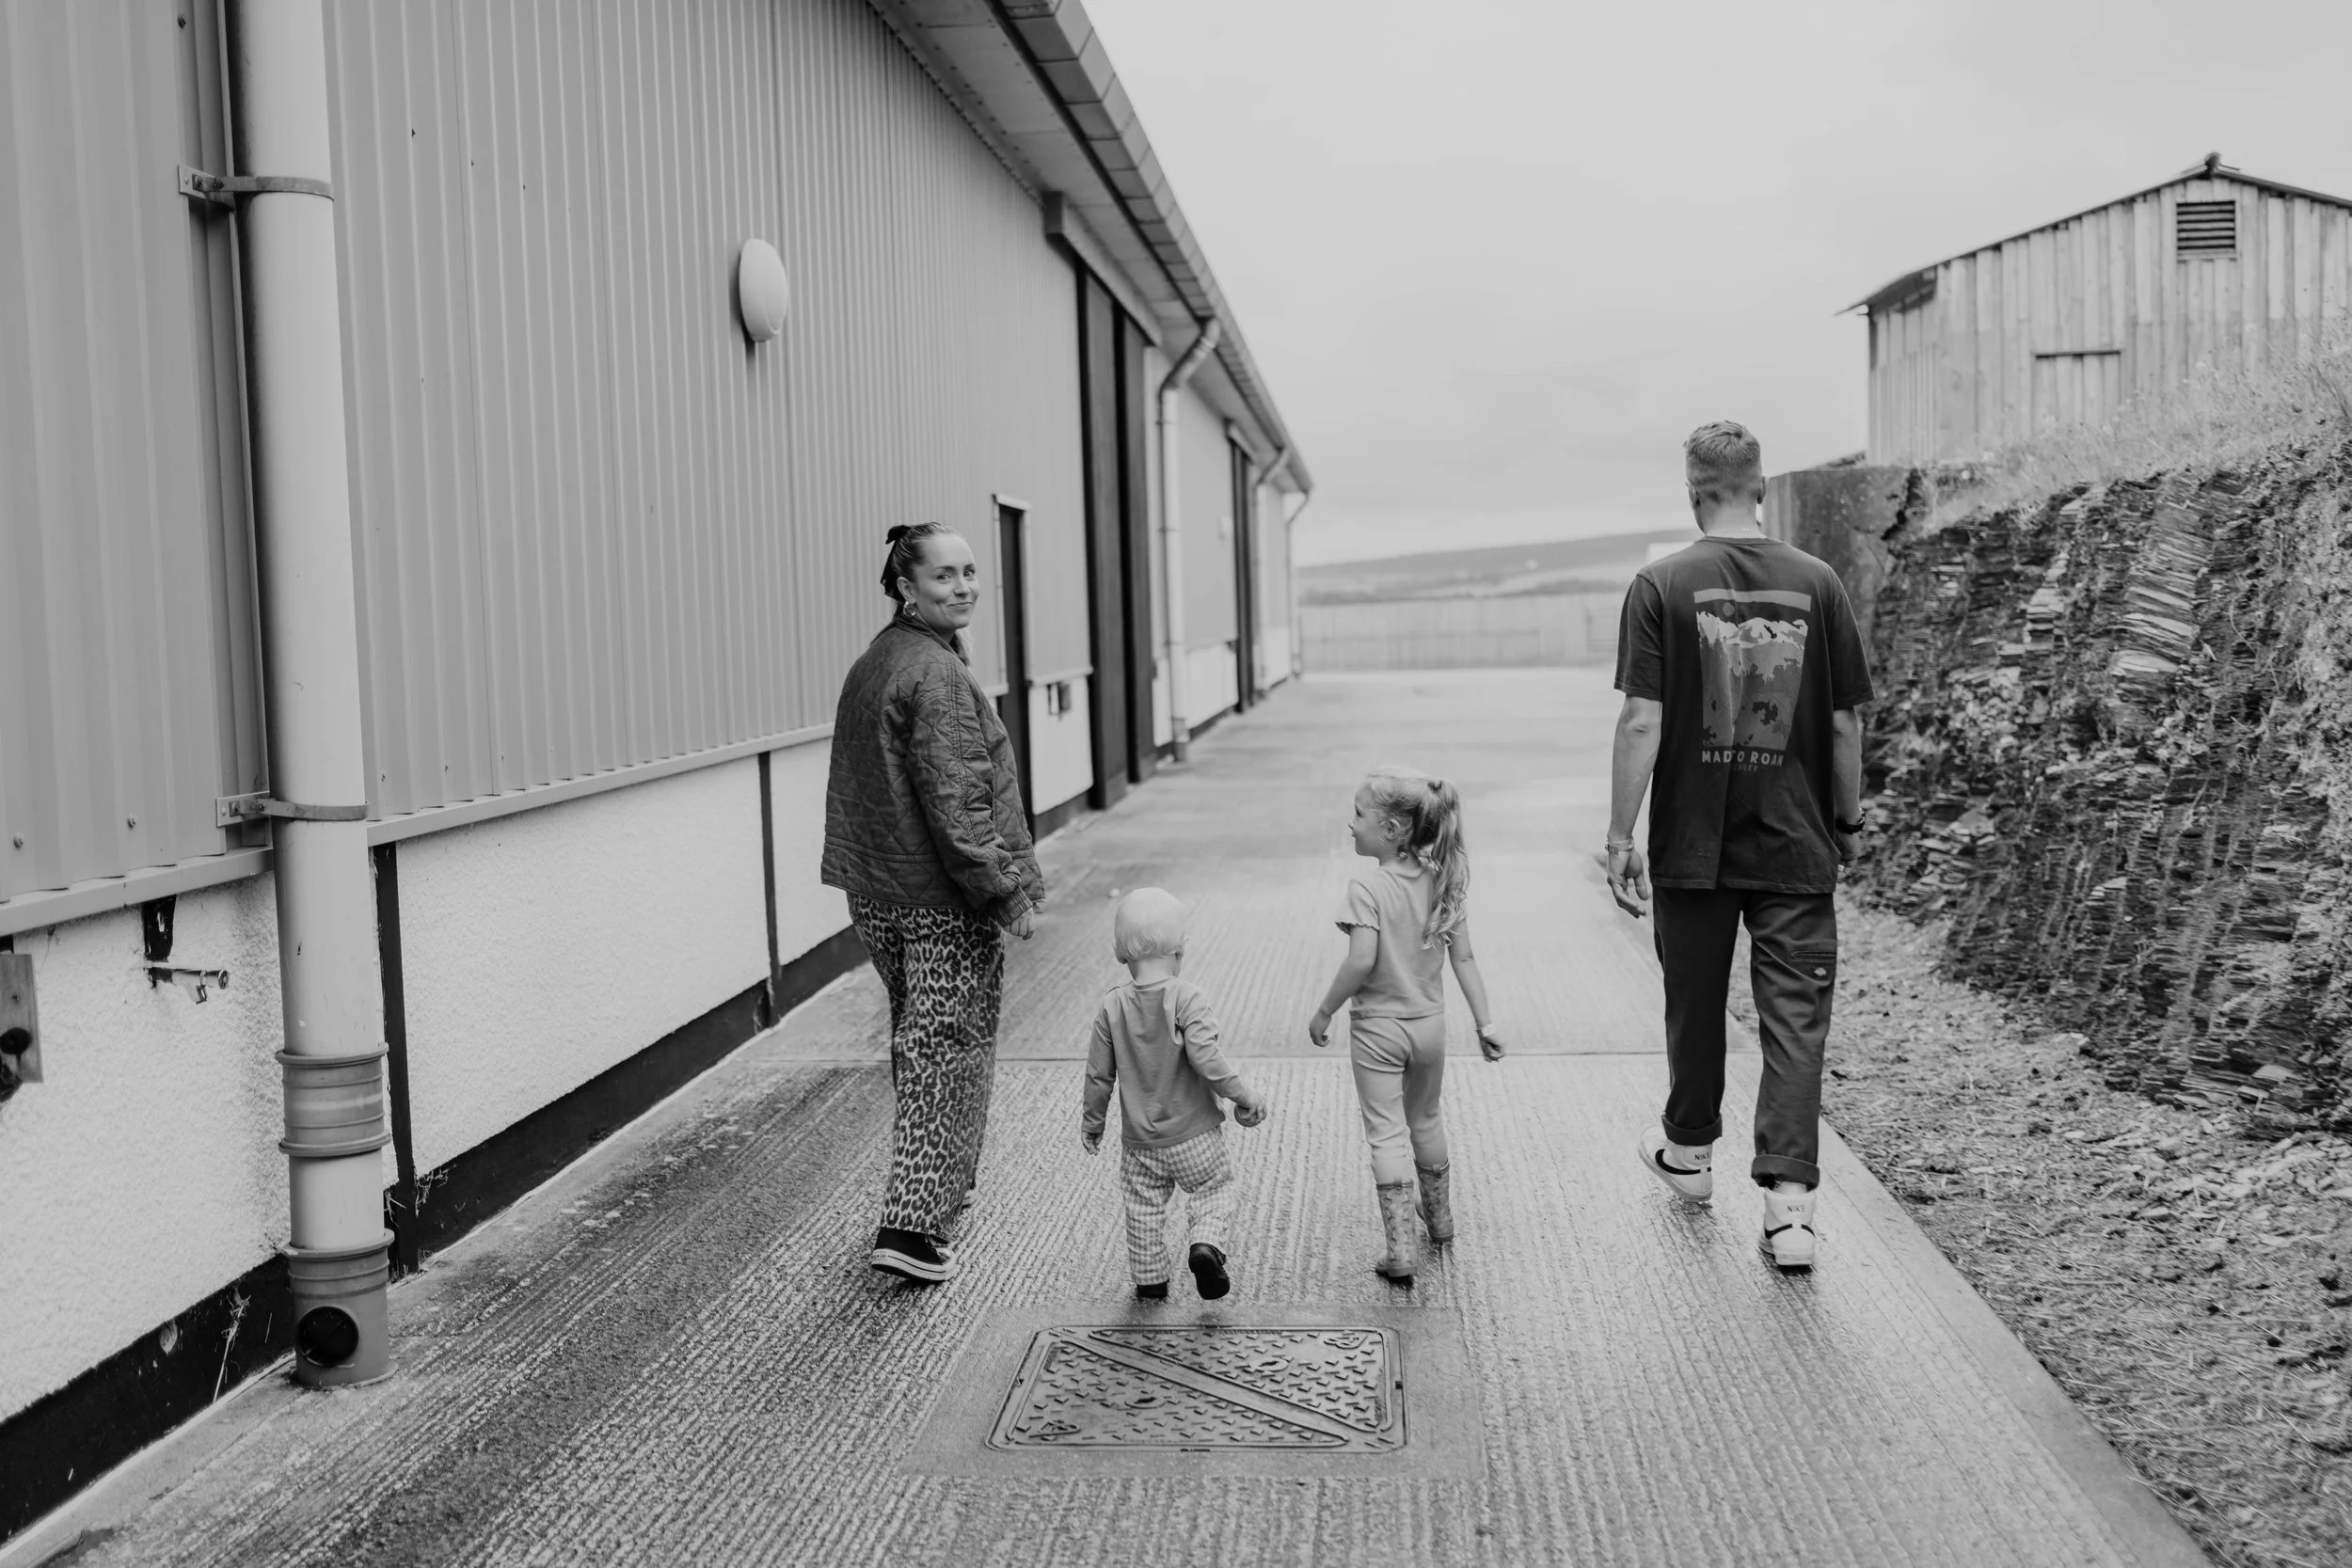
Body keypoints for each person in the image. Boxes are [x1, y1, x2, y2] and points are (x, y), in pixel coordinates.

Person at [1606, 421, 1873, 1273]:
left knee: (1693, 1002)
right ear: (1761, 487)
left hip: (1691, 840)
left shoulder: (1659, 583)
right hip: (1795, 839)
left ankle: (1688, 1156)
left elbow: (1641, 719)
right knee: (1796, 1020)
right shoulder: (1820, 582)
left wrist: (1619, 833)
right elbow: (1842, 721)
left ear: (1692, 491)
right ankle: (1789, 1213)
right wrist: (1847, 818)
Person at [822, 521, 1045, 1286]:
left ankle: (929, 1207)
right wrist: (1007, 893)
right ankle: (913, 1226)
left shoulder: (878, 659)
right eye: (945, 575)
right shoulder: (937, 674)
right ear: (907, 586)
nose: (964, 586)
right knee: (946, 1050)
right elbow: (960, 804)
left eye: (971, 571)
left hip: (879, 892)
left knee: (919, 1042)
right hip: (937, 896)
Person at [1309, 766, 1504, 1285]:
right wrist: (1485, 1023)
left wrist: (1325, 1009)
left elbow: (1359, 961)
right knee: (1427, 1119)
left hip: (1378, 1030)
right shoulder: (1442, 879)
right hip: (1429, 1029)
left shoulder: (1367, 888)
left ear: (1391, 830)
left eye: (1358, 814)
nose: (1350, 824)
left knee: (1386, 1133)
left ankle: (1400, 1250)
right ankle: (1439, 1221)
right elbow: (1464, 959)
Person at [1081, 888, 1267, 1301]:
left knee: (1143, 1210)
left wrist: (1092, 1123)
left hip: (1141, 1144)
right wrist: (1243, 1094)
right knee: (1215, 1189)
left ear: (1119, 952)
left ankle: (1150, 1282)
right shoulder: (1187, 997)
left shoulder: (1111, 1007)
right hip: (1195, 1134)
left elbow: (1099, 1075)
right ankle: (1205, 1245)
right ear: (1179, 951)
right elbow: (1207, 1058)